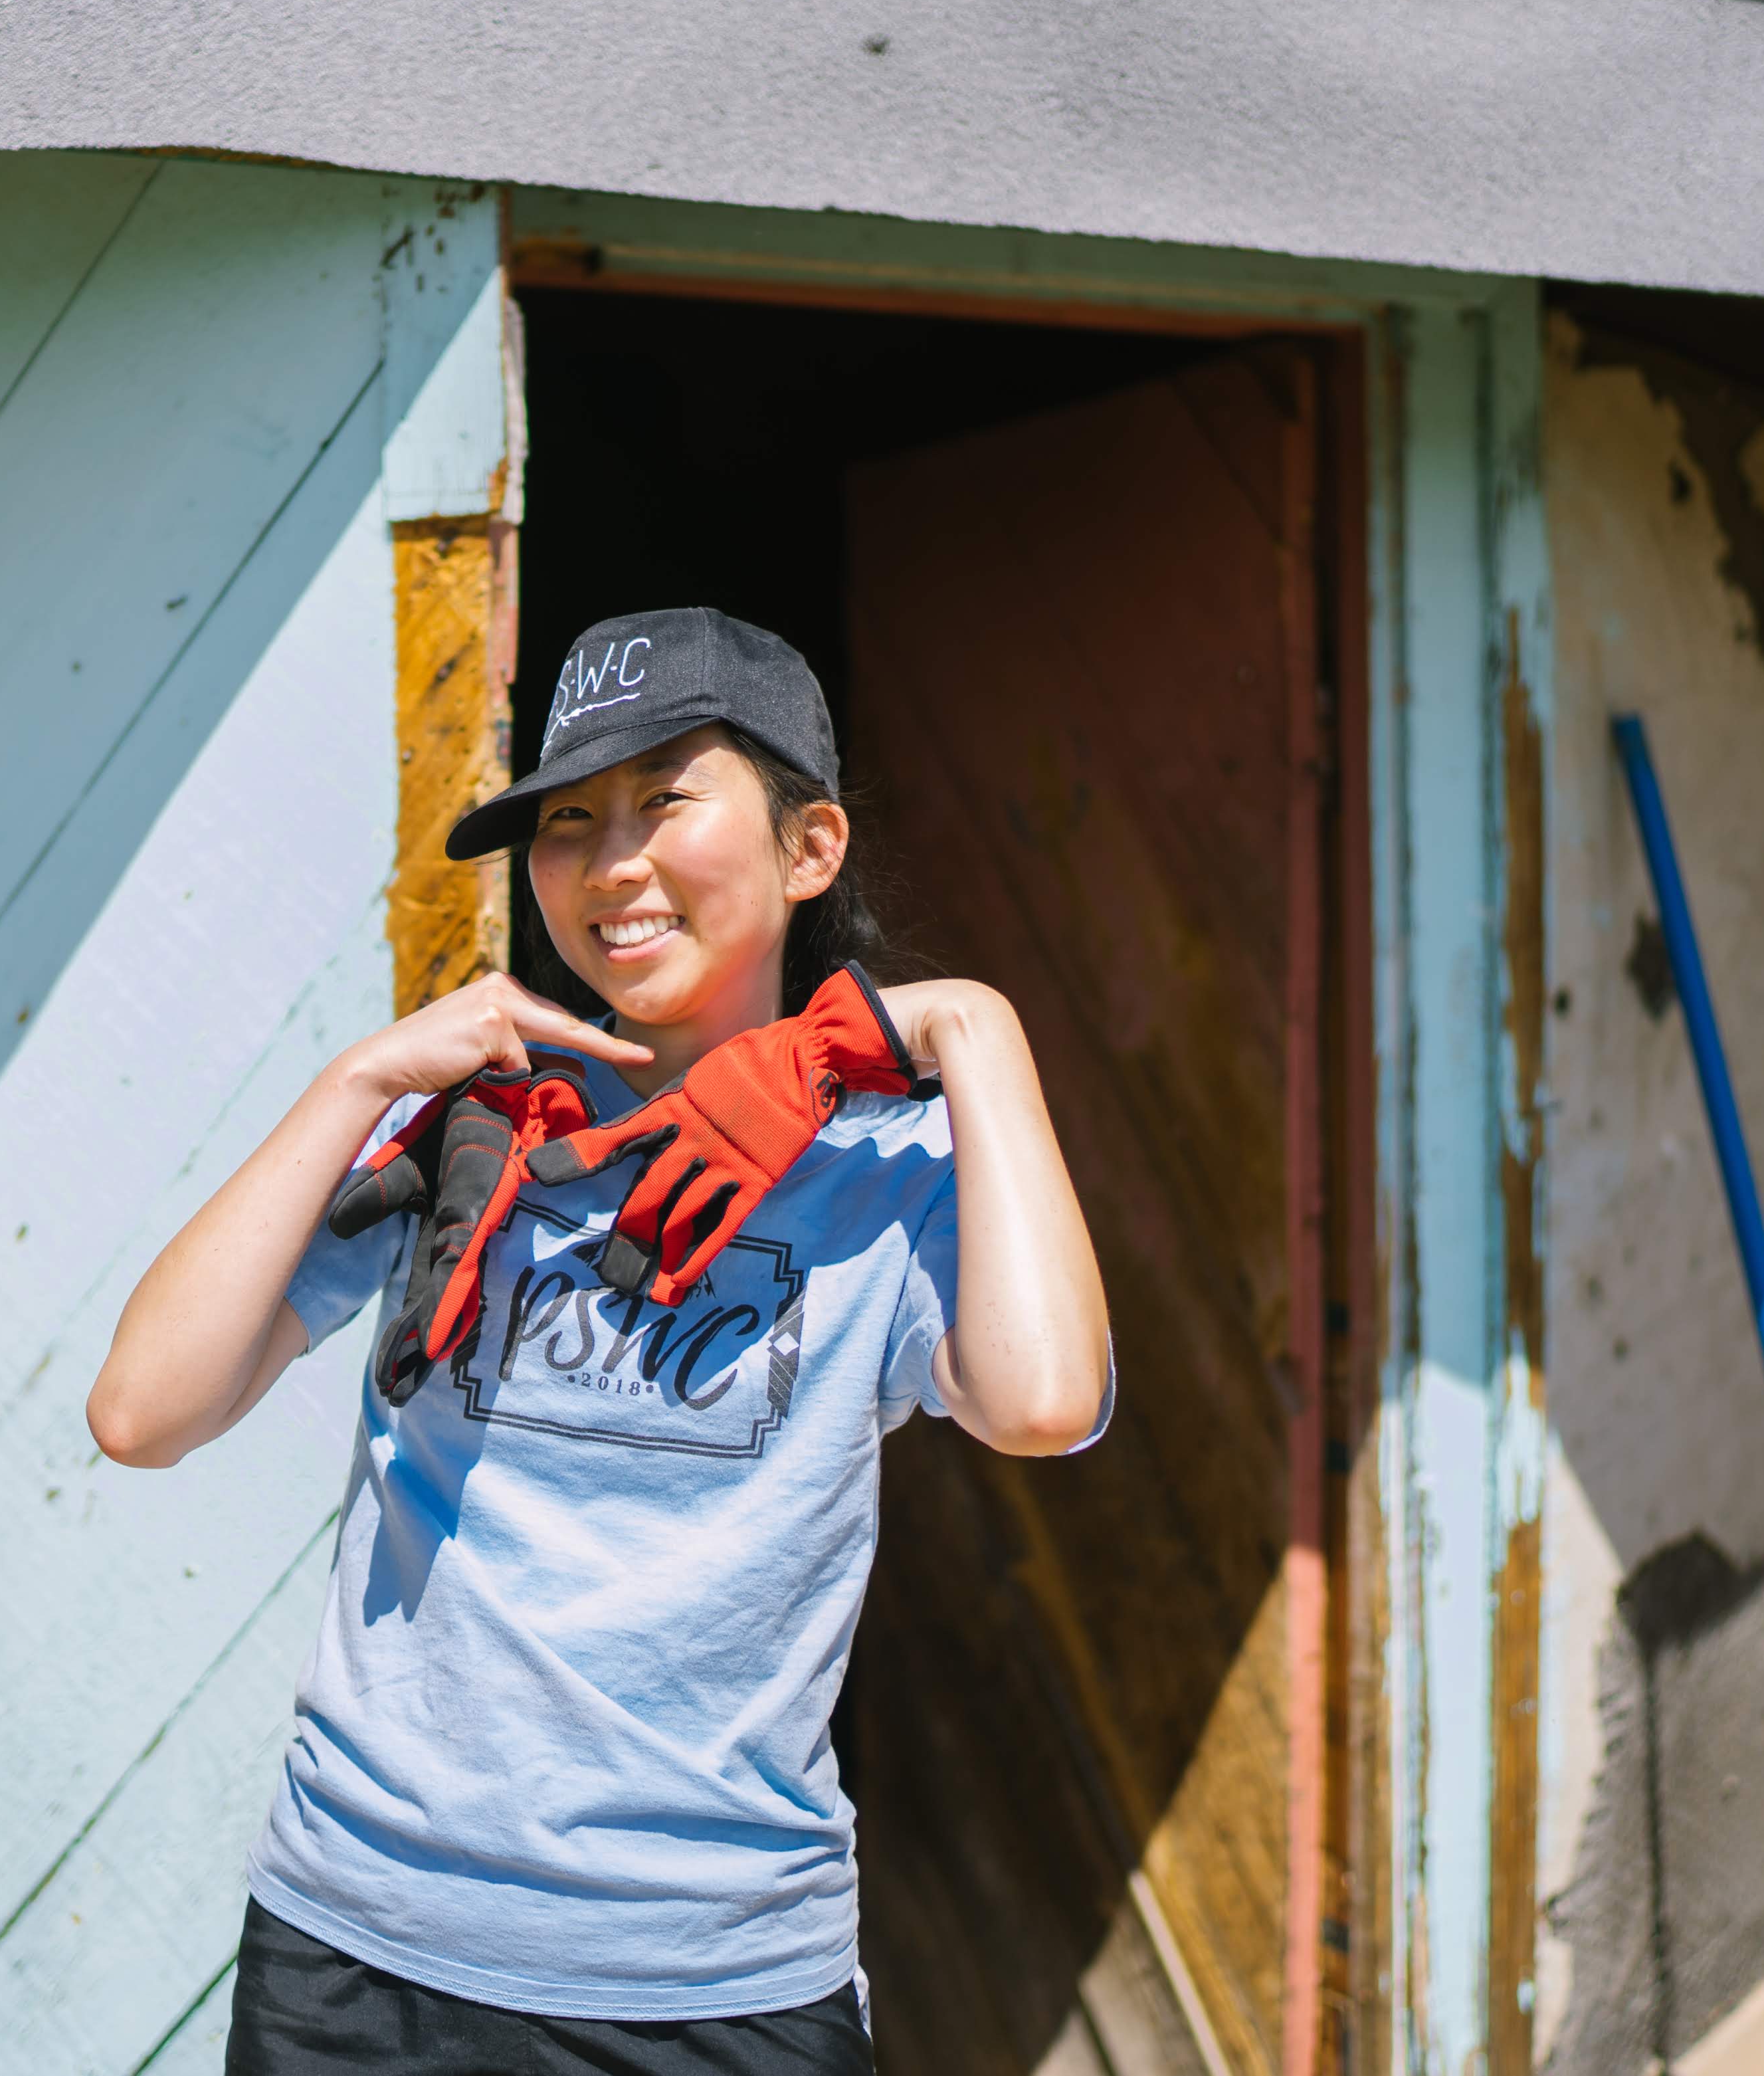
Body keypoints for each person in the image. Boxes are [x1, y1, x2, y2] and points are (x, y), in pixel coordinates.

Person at [92, 606, 1114, 2073]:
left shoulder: (898, 1167)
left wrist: (972, 1028)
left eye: (664, 801)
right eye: (569, 819)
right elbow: (141, 1411)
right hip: (358, 1955)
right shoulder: (465, 1137)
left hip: (717, 1982)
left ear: (808, 848)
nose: (612, 861)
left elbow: (1041, 1400)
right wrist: (362, 1077)